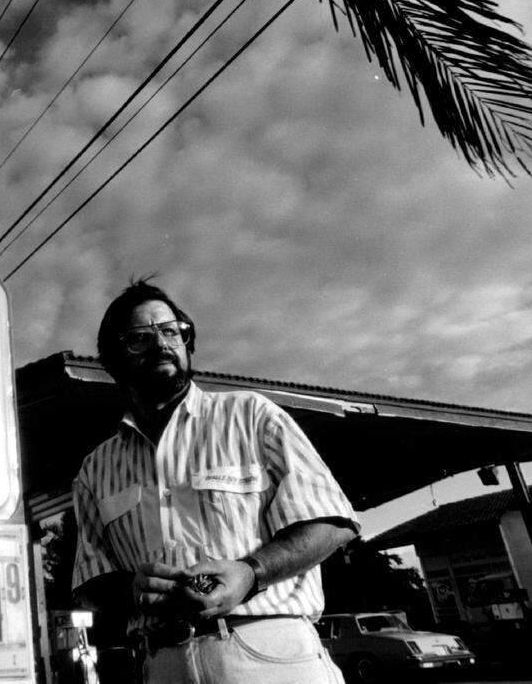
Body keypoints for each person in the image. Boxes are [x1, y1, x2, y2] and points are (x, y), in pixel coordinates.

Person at [71, 280, 359, 684]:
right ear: (114, 361)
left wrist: (250, 573)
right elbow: (89, 582)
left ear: (187, 343)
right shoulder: (94, 471)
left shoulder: (252, 415)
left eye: (171, 331)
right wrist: (132, 590)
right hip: (163, 663)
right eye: (140, 338)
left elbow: (332, 521)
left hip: (268, 652)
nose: (161, 344)